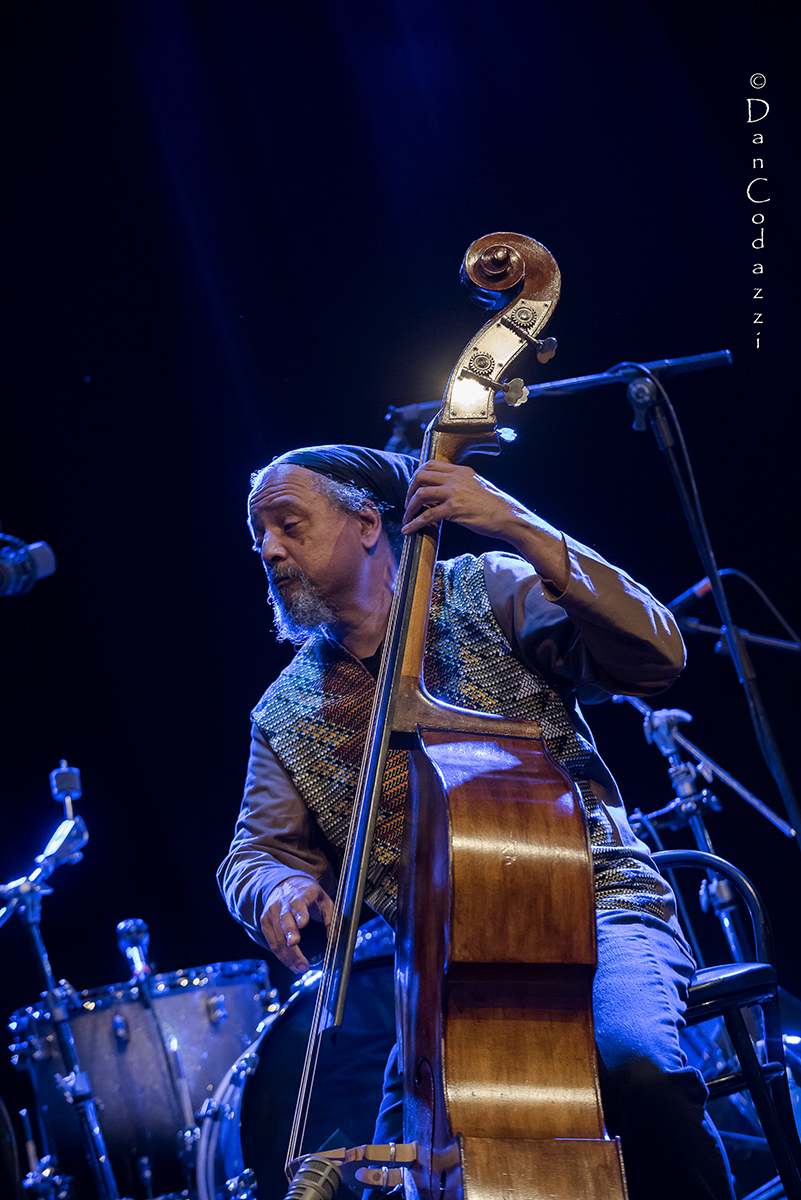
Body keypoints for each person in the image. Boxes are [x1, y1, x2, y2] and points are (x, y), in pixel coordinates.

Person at [218, 444, 735, 1200]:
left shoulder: (486, 591)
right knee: (409, 1182)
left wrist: (515, 523)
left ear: (367, 523)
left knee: (636, 1070)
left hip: (595, 907)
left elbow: (655, 655)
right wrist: (273, 888)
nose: (269, 549)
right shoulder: (284, 711)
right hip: (440, 974)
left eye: (288, 525)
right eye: (258, 534)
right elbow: (253, 853)